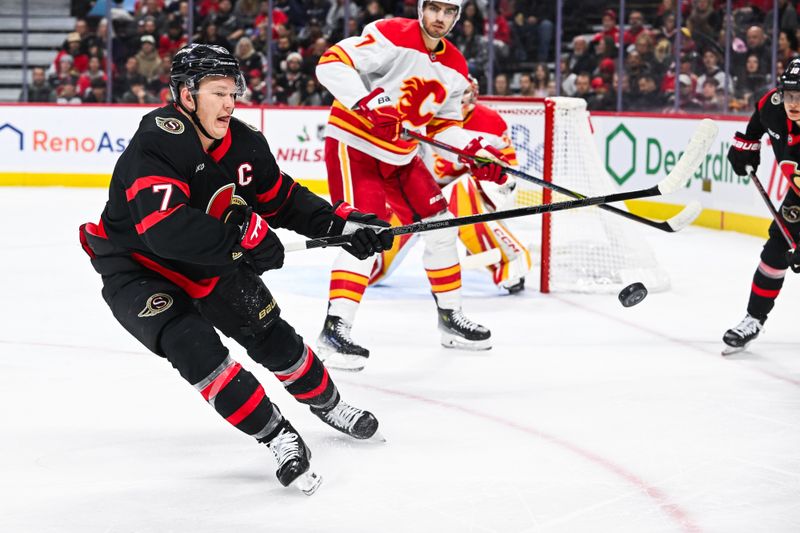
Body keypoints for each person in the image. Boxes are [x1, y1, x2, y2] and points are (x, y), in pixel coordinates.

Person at [78, 44, 393, 494]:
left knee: (270, 333)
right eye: (218, 92)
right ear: (186, 95)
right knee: (194, 348)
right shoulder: (158, 139)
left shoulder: (245, 142)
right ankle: (277, 435)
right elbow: (163, 231)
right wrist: (243, 238)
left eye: (233, 92)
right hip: (137, 267)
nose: (230, 103)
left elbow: (282, 198)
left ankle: (329, 404)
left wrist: (343, 224)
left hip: (208, 261)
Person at [314, 0, 508, 371]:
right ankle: (335, 330)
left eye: (448, 11)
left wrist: (473, 152)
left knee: (441, 226)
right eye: (433, 8)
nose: (439, 18)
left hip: (401, 157)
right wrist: (367, 102)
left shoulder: (456, 66)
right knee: (364, 234)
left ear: (458, 16)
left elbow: (441, 129)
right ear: (421, 8)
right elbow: (331, 64)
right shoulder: (391, 33)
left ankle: (451, 319)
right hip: (355, 146)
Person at [370, 77, 531, 294]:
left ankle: (508, 261)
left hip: (475, 193)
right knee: (373, 268)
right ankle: (372, 265)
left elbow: (508, 172)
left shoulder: (490, 122)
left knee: (459, 192)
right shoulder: (421, 118)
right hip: (425, 195)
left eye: (462, 93)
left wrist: (491, 177)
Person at [724, 58, 800, 354]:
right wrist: (746, 145)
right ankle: (754, 319)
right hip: (797, 198)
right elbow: (757, 121)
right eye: (791, 95)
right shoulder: (774, 105)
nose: (793, 103)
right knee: (775, 253)